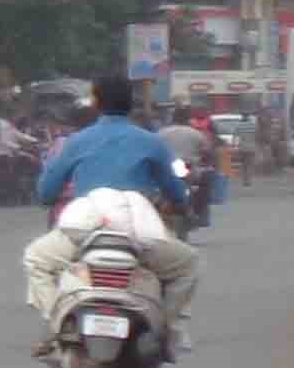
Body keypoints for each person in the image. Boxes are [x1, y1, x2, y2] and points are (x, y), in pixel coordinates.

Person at [26, 74, 203, 353]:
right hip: (138, 230)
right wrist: (180, 206)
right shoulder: (152, 142)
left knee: (37, 259)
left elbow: (46, 192)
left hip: (85, 229)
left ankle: (54, 326)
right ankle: (167, 330)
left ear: (95, 104)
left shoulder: (76, 142)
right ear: (132, 105)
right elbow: (177, 194)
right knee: (188, 263)